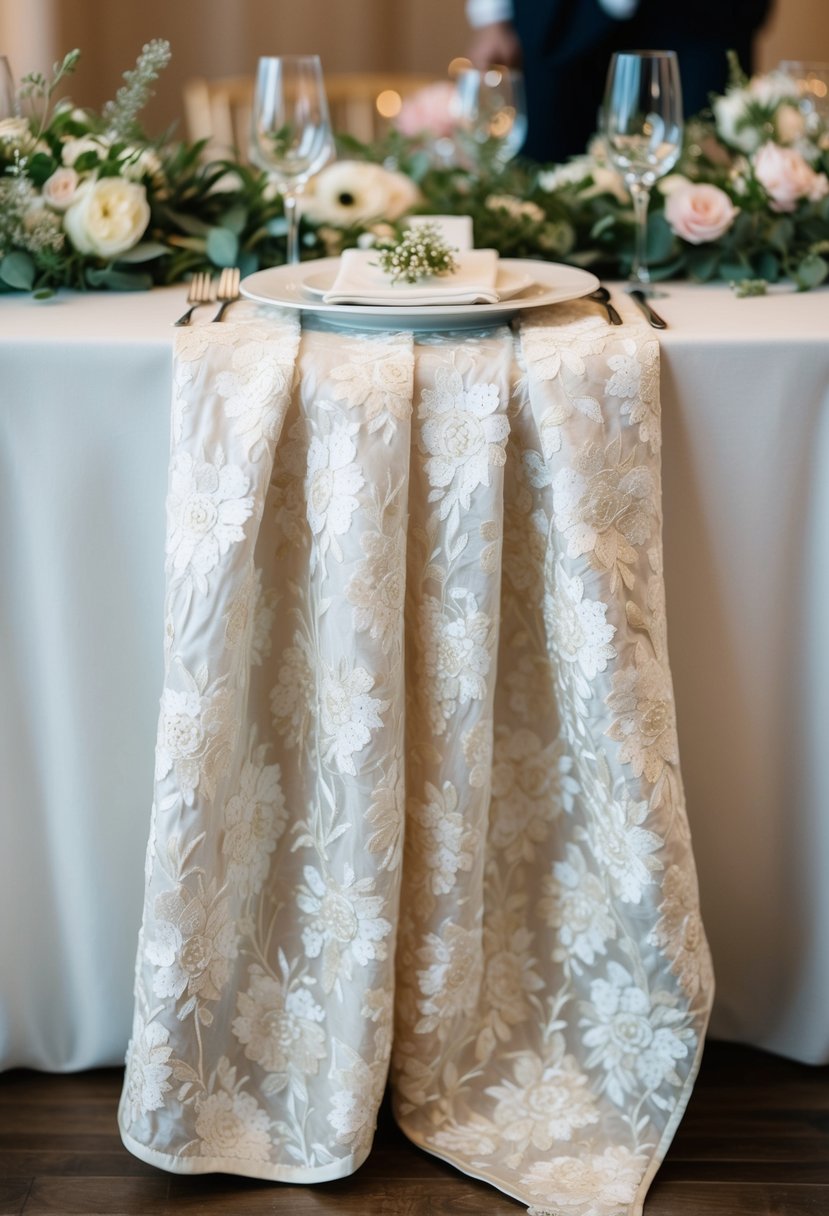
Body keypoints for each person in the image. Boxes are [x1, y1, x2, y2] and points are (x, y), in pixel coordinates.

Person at [466, 0, 775, 162]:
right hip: (557, 17)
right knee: (549, 179)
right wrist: (493, 14)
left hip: (701, 20)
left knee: (700, 172)